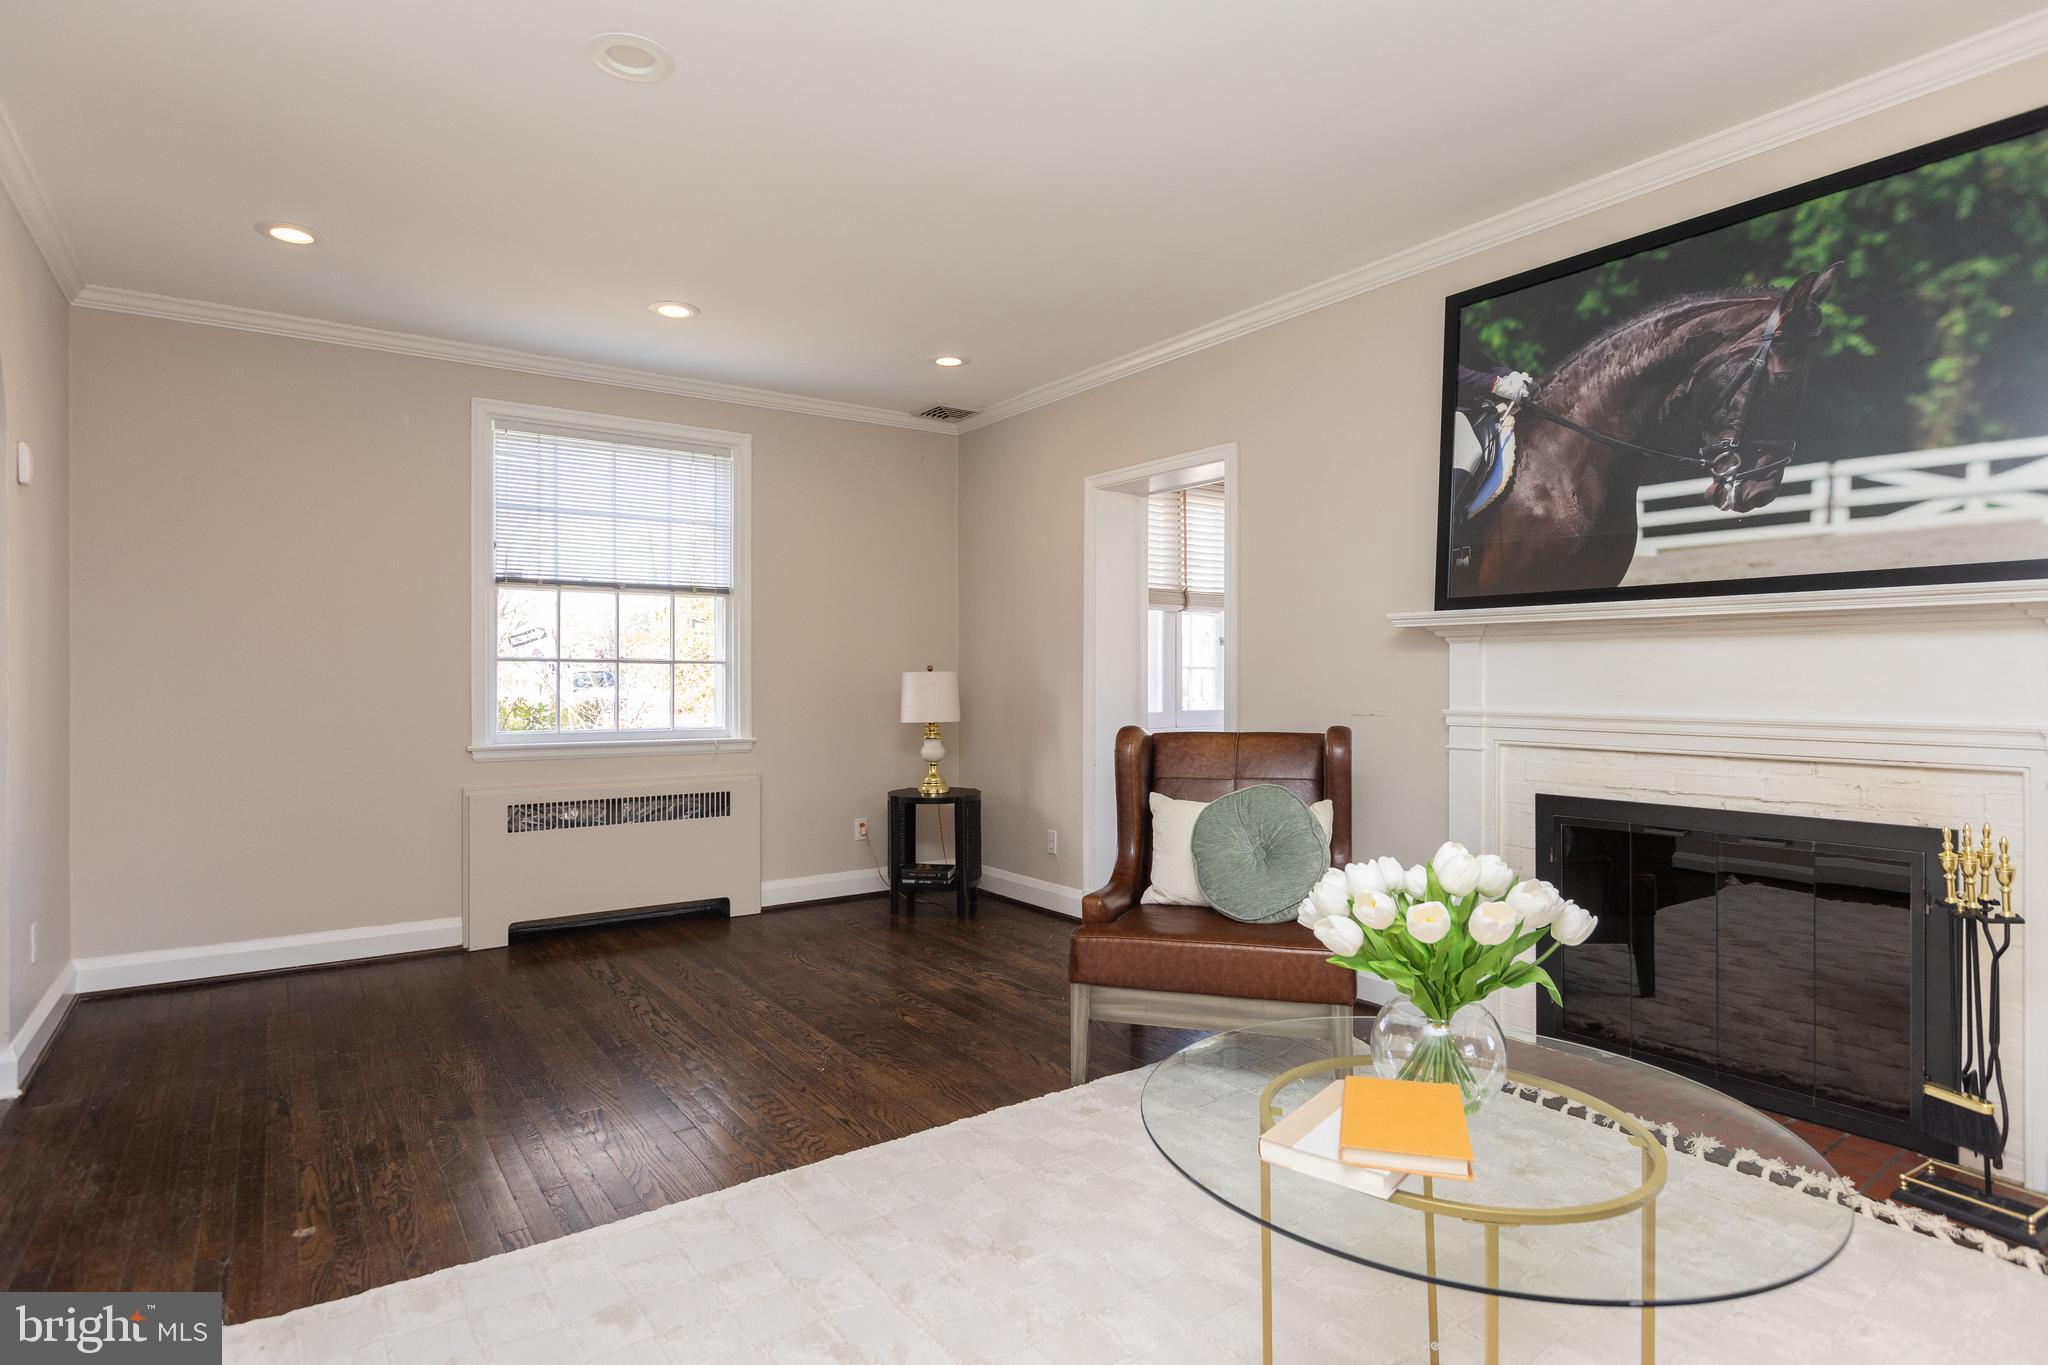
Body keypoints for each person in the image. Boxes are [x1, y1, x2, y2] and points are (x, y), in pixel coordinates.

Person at [1448, 366, 1534, 518]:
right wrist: (1495, 384)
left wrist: (1510, 375)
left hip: (1474, 408)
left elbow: (1475, 359)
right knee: (1470, 453)